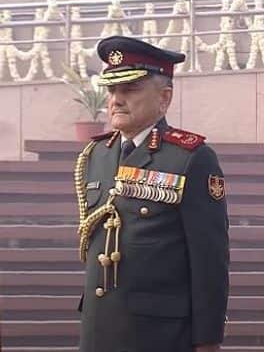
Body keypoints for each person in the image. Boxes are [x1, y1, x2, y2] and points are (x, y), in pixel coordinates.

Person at [75, 36, 229, 352]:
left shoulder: (190, 158)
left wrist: (207, 341)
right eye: (112, 90)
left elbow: (209, 261)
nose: (116, 100)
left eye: (130, 89)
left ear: (164, 98)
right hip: (98, 330)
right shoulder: (96, 156)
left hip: (159, 335)